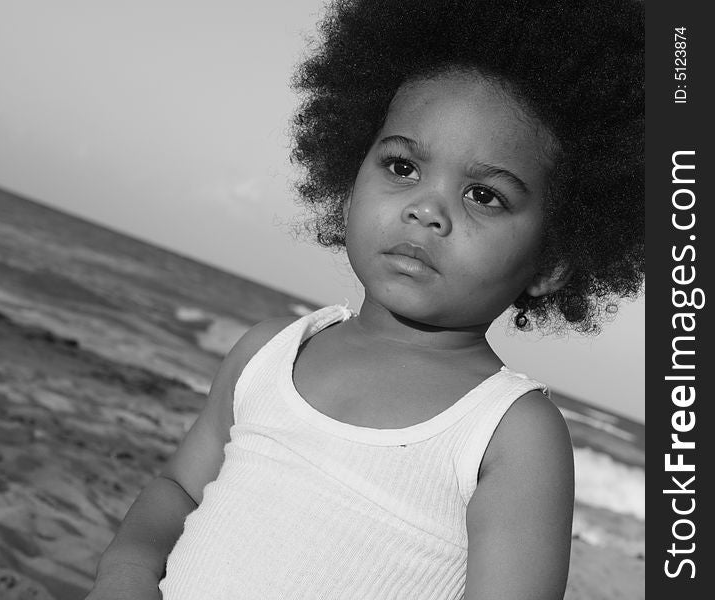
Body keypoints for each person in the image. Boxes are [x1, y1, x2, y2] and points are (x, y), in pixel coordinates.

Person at [85, 0, 644, 598]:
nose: (427, 209)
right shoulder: (268, 354)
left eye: (483, 195)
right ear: (348, 180)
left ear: (554, 260)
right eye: (402, 166)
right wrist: (125, 572)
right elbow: (179, 490)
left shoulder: (507, 434)